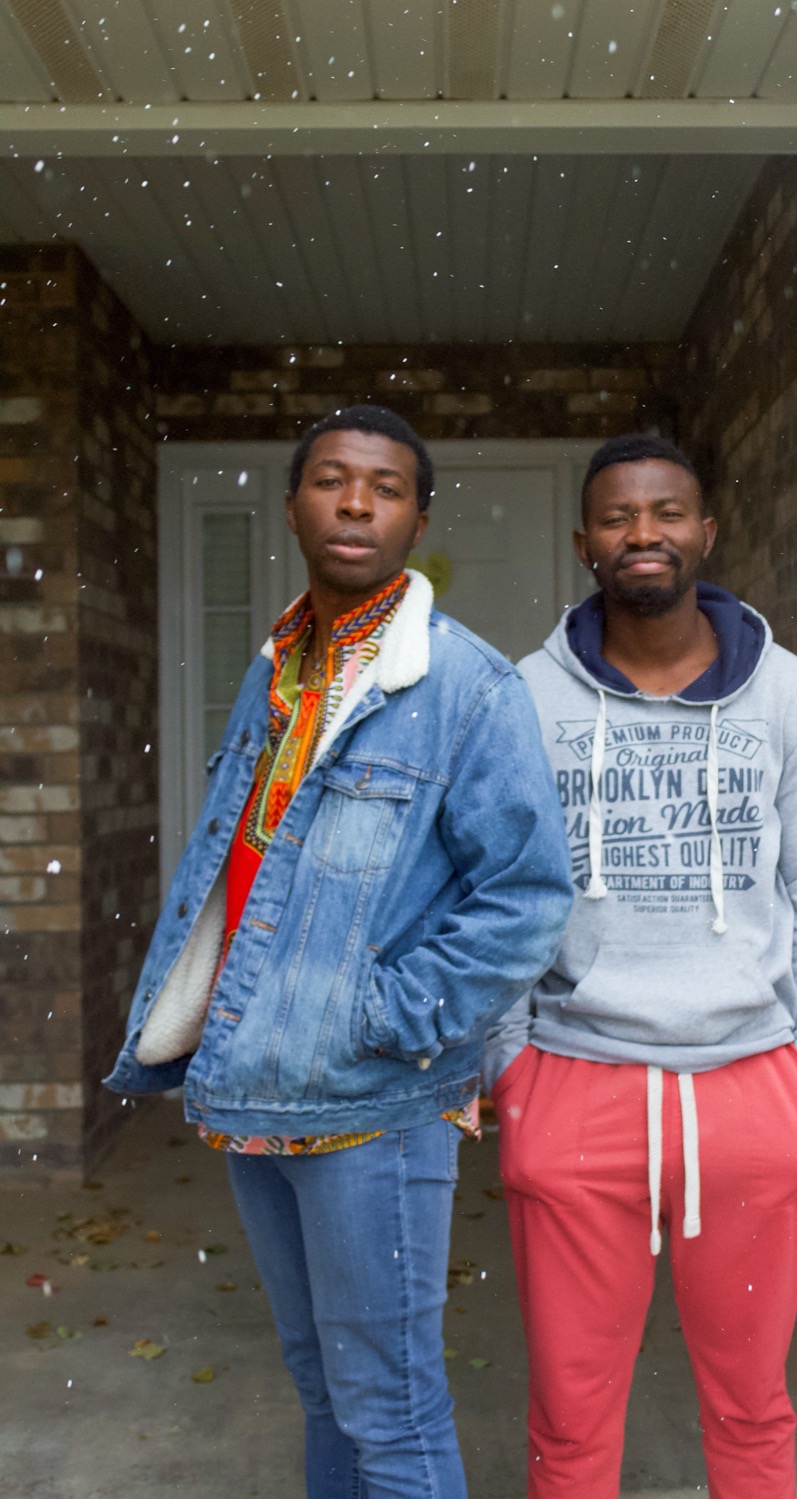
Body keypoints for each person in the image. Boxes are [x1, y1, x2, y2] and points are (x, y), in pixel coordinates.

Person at [106, 404, 573, 1499]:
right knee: (321, 1386)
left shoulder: (467, 689)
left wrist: (383, 1016)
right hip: (254, 1083)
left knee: (390, 1410)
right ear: (292, 506)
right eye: (331, 479)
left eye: (386, 487)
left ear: (417, 520)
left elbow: (526, 897)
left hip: (370, 1102)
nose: (356, 503)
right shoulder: (275, 668)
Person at [484, 433, 797, 1499]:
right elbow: (495, 892)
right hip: (574, 1081)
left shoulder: (787, 694)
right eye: (618, 516)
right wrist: (510, 1067)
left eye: (665, 512)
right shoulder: (525, 697)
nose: (642, 532)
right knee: (569, 1418)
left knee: (751, 1405)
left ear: (705, 531)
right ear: (584, 543)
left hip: (752, 1087)